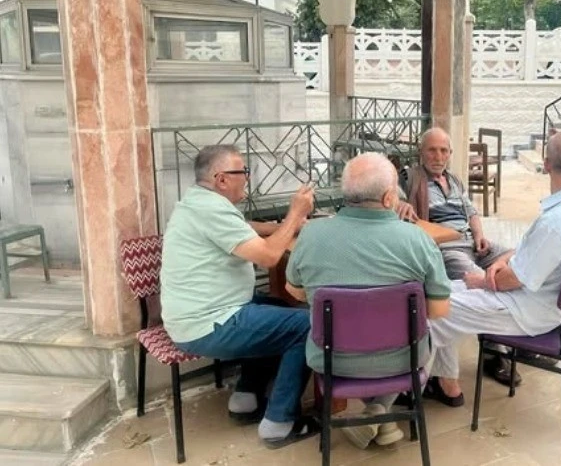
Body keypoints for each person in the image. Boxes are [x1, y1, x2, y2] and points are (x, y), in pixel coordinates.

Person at [424, 130, 561, 406]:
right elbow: (530, 252)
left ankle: (416, 389)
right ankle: (444, 381)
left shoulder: (558, 222)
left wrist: (481, 281)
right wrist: (502, 260)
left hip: (527, 310)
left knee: (431, 307)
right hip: (547, 304)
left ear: (546, 164)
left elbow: (512, 280)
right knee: (440, 293)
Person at [285, 152, 451, 449]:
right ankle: (379, 411)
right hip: (402, 359)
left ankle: (376, 413)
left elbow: (296, 291)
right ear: (389, 198)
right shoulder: (419, 240)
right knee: (430, 333)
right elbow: (439, 310)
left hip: (332, 361)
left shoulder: (310, 236)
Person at [160, 144, 320, 449]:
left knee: (279, 309)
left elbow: (243, 227)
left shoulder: (198, 202)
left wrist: (285, 226)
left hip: (204, 312)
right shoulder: (211, 209)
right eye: (242, 171)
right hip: (208, 323)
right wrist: (295, 214)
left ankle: (246, 399)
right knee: (310, 325)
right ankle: (279, 423)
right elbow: (269, 256)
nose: (247, 176)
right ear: (221, 179)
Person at [395, 126, 523, 386]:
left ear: (450, 153)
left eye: (444, 151)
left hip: (472, 243)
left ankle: (520, 333)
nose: (438, 156)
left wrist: (479, 236)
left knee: (519, 262)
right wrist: (400, 202)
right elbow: (388, 193)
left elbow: (471, 212)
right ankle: (495, 352)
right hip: (447, 247)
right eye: (432, 150)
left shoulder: (453, 180)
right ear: (421, 152)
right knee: (484, 284)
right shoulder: (410, 177)